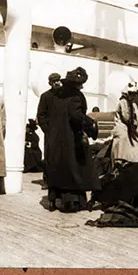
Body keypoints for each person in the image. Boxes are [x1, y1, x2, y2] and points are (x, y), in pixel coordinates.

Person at [44, 67, 100, 212]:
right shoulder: (75, 96)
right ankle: (73, 202)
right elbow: (76, 116)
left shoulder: (57, 96)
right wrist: (91, 125)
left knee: (57, 167)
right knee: (75, 169)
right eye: (81, 84)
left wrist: (50, 132)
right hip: (70, 139)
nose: (82, 87)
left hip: (55, 139)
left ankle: (54, 198)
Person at [36, 73, 63, 190]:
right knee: (49, 156)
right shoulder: (45, 96)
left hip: (63, 131)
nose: (56, 83)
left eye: (58, 80)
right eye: (54, 81)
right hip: (51, 132)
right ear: (50, 83)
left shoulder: (64, 96)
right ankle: (47, 180)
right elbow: (41, 115)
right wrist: (47, 130)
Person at [110, 82, 138, 171]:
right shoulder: (123, 102)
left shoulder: (133, 104)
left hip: (130, 134)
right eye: (132, 94)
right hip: (124, 134)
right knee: (122, 157)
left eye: (135, 94)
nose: (134, 96)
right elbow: (127, 117)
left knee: (132, 157)